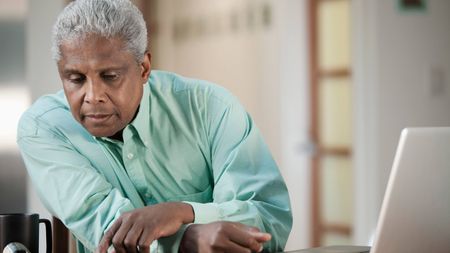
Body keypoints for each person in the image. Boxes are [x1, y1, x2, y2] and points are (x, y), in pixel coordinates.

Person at [17, 0, 292, 252]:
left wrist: (182, 211)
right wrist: (189, 238)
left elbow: (269, 219)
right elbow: (109, 232)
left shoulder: (210, 108)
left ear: (144, 67)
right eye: (75, 79)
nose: (92, 96)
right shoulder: (44, 128)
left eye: (110, 76)